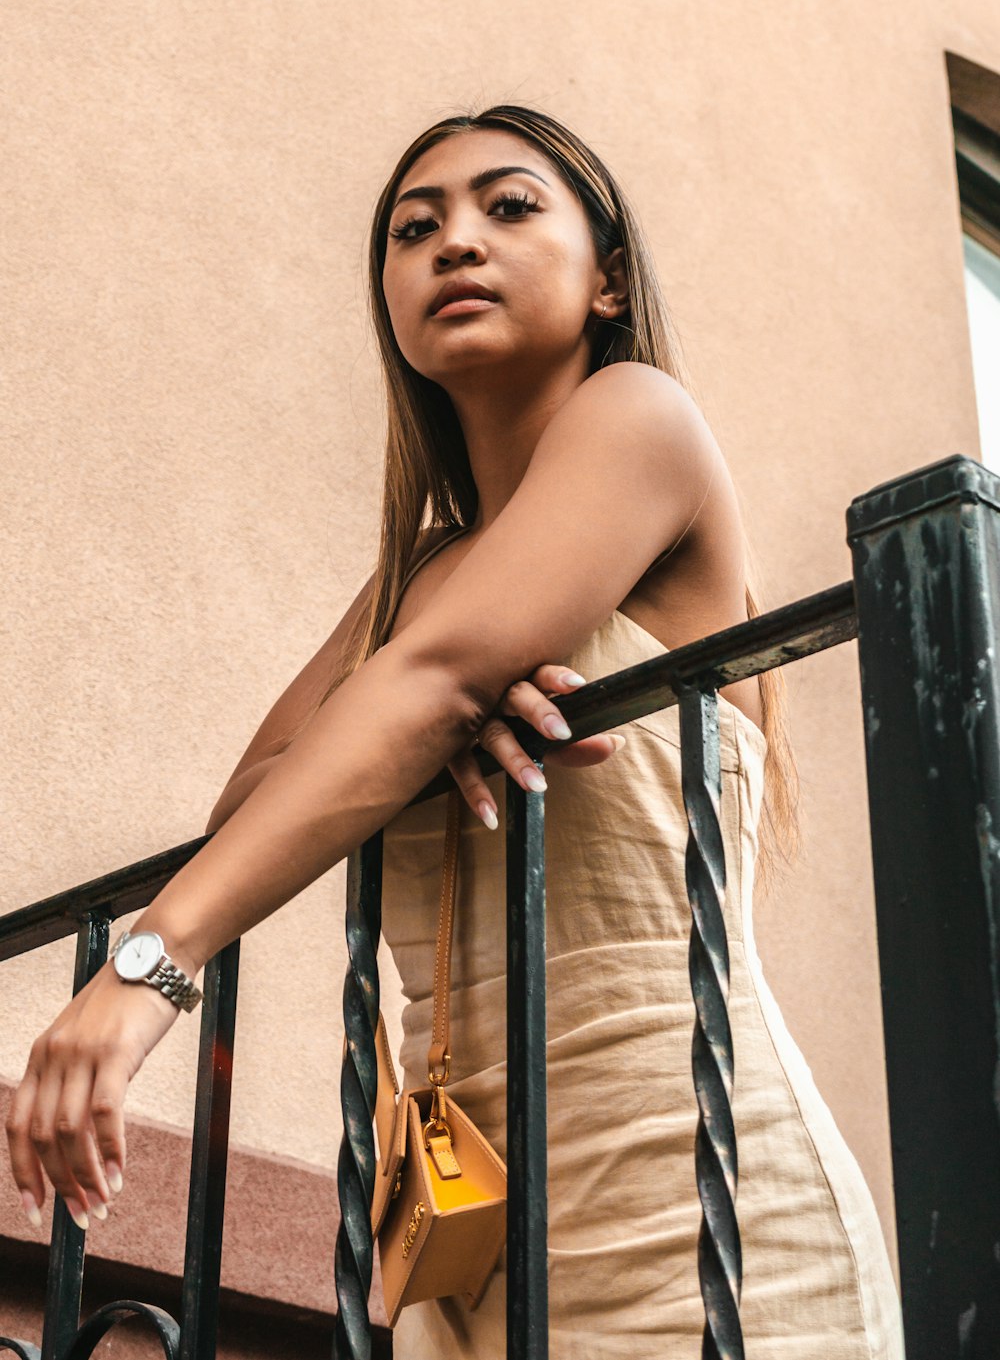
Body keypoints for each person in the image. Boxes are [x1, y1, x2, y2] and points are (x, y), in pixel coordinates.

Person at [6, 103, 903, 1357]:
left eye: (510, 205)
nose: (455, 242)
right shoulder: (418, 576)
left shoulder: (642, 418)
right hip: (462, 1229)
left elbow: (419, 686)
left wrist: (146, 971)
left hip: (692, 1186)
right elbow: (256, 794)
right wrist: (433, 730)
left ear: (609, 281)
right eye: (414, 229)